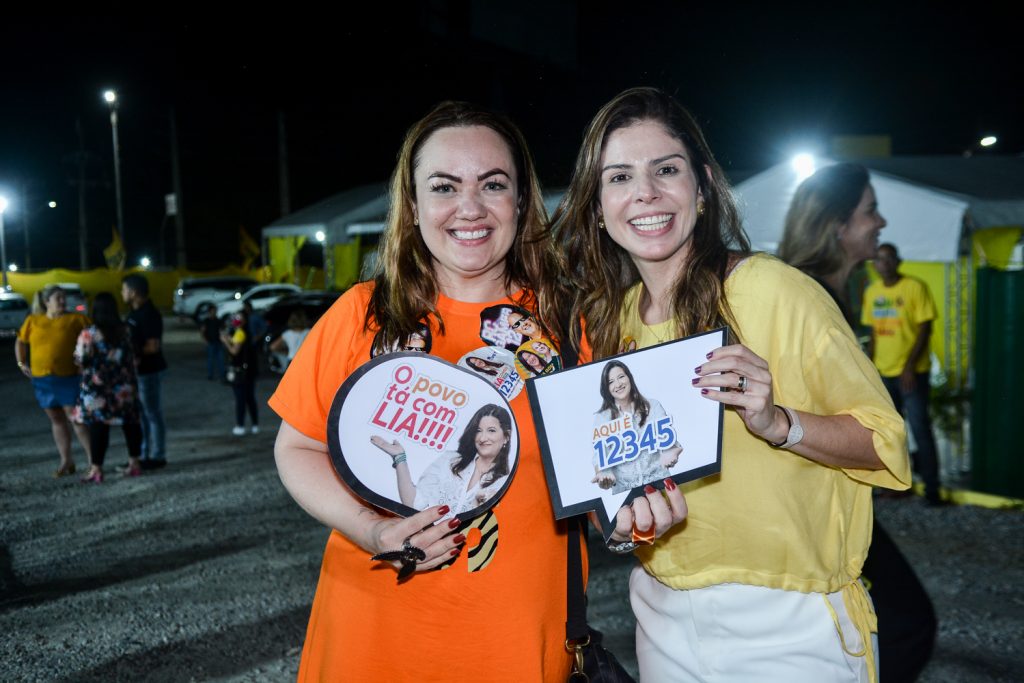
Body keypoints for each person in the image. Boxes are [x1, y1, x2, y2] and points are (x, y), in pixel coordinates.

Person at [269, 101, 668, 681]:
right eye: (444, 186)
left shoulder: (571, 322)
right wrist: (372, 529)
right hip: (371, 635)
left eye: (493, 184)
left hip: (513, 642)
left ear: (522, 200)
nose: (470, 208)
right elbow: (298, 447)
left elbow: (615, 471)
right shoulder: (363, 313)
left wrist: (636, 515)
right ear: (412, 204)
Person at [554, 87, 910, 682]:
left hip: (789, 621)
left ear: (703, 185)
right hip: (661, 615)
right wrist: (622, 521)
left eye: (666, 169)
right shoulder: (606, 324)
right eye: (619, 177)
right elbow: (605, 495)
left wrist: (780, 423)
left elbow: (886, 445)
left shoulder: (773, 290)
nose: (645, 193)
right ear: (596, 206)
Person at [781, 166, 939, 683]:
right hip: (812, 502)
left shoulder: (833, 292)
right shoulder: (803, 296)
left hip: (836, 496)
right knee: (907, 623)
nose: (881, 221)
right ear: (835, 225)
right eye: (870, 209)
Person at [863, 243, 942, 505]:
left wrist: (909, 366)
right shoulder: (872, 292)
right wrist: (869, 368)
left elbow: (924, 330)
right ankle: (898, 486)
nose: (882, 264)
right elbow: (874, 333)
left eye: (887, 259)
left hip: (912, 374)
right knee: (891, 432)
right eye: (878, 260)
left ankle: (932, 490)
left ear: (898, 261)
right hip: (884, 373)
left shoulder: (914, 288)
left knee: (920, 428)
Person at [370, 403, 512, 514]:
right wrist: (399, 458)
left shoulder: (506, 482)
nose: (482, 438)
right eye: (478, 431)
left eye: (491, 431)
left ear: (506, 436)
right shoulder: (450, 460)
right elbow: (413, 503)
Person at [15, 285, 93, 476]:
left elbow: (92, 339)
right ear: (46, 301)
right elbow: (20, 341)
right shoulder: (33, 320)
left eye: (63, 297)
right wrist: (21, 362)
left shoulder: (76, 319)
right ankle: (66, 460)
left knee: (76, 419)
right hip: (42, 379)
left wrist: (86, 362)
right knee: (56, 419)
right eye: (58, 298)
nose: (63, 301)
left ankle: (93, 461)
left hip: (68, 377)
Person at [72, 292, 144, 481]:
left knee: (99, 427)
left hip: (98, 388)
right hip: (124, 387)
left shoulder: (89, 333)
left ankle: (97, 470)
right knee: (130, 424)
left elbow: (81, 360)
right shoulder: (127, 330)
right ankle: (134, 463)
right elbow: (135, 357)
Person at [591, 360, 681, 493]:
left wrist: (671, 454)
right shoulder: (602, 418)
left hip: (660, 485)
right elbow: (600, 457)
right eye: (611, 382)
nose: (618, 384)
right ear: (606, 388)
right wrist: (603, 474)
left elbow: (670, 445)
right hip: (626, 492)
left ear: (629, 378)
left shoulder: (653, 406)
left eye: (621, 377)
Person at [122, 274, 167, 470]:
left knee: (152, 413)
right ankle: (143, 454)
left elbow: (154, 346)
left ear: (133, 292)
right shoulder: (133, 314)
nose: (122, 293)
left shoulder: (149, 314)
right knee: (142, 415)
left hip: (149, 371)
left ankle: (158, 456)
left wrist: (132, 353)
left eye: (124, 289)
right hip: (137, 372)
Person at [221, 310, 259, 435]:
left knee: (240, 399)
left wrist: (225, 340)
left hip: (240, 372)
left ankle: (240, 425)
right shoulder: (246, 332)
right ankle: (255, 425)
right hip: (249, 370)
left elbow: (234, 351)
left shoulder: (240, 333)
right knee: (250, 398)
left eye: (238, 318)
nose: (236, 320)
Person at [199, 306, 225, 381]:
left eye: (215, 311)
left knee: (221, 359)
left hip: (218, 343)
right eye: (213, 311)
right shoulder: (206, 321)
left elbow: (222, 330)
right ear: (210, 312)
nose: (214, 312)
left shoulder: (218, 320)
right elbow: (202, 331)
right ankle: (210, 375)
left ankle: (222, 375)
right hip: (210, 343)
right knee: (210, 360)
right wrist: (205, 341)